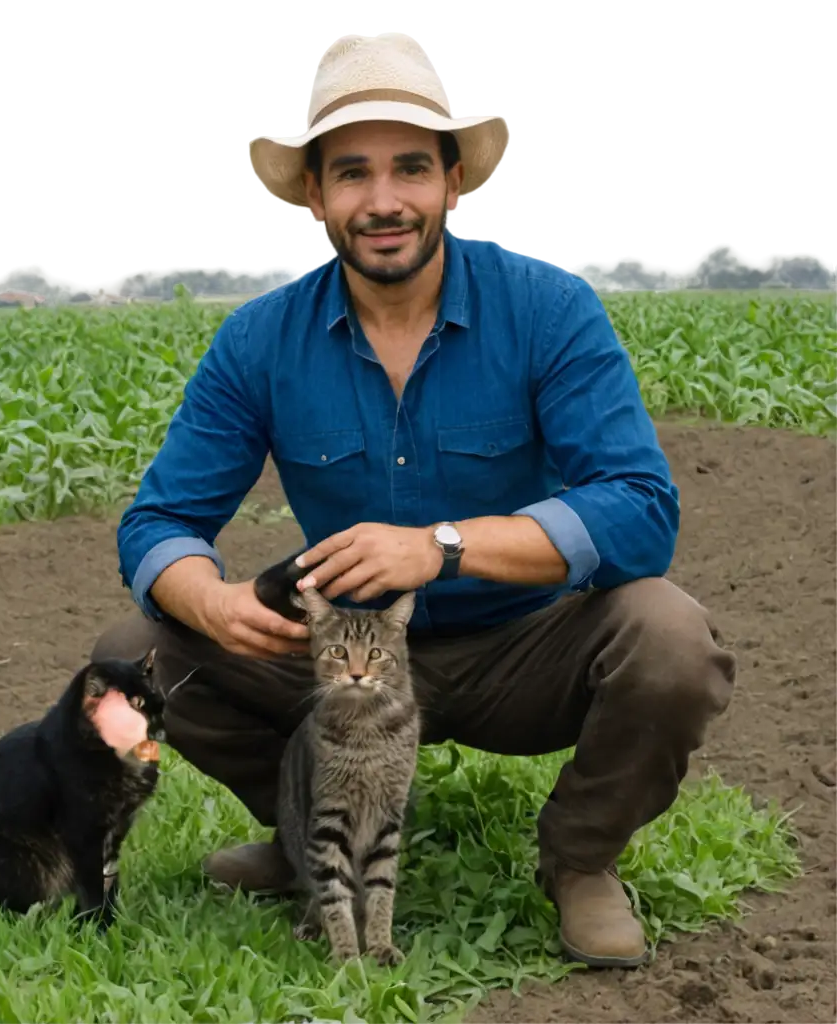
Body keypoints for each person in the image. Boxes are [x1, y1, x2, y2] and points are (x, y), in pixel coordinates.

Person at [92, 32, 737, 970]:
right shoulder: (259, 343)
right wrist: (214, 602)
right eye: (352, 173)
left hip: (525, 646)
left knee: (672, 639)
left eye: (410, 169)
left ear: (453, 181)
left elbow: (641, 508)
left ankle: (581, 862)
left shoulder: (549, 313)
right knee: (135, 652)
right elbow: (157, 524)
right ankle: (304, 838)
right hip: (341, 659)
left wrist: (440, 546)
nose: (384, 200)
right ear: (316, 197)